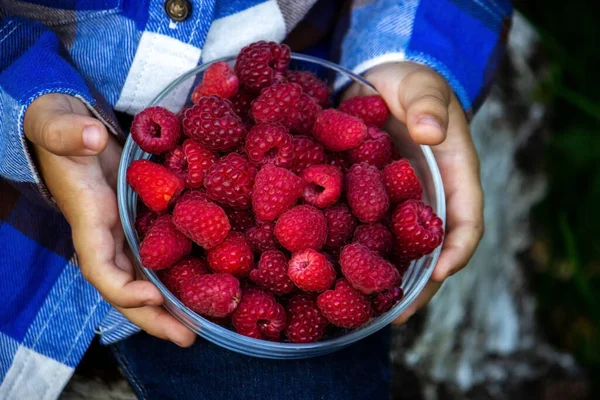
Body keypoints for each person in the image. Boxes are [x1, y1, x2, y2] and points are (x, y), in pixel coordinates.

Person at [0, 0, 511, 398]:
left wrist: (407, 55)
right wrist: (25, 95)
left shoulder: (291, 170)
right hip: (25, 214)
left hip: (321, 70)